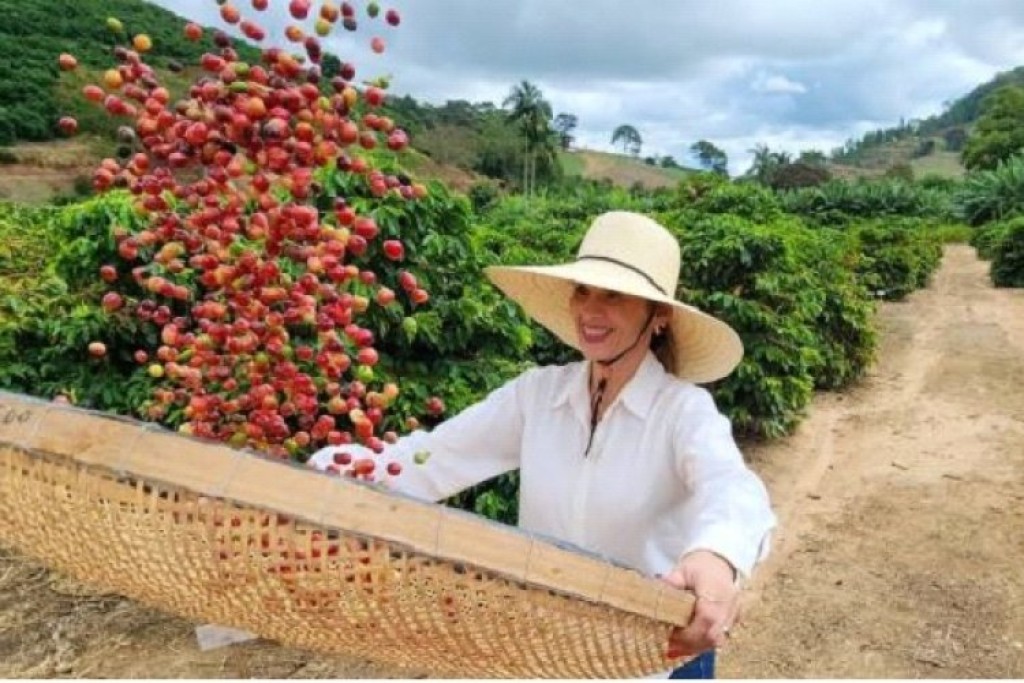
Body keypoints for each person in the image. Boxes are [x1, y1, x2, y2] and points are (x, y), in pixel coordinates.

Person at [309, 211, 776, 678]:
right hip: (550, 655)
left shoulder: (680, 411)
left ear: (658, 316)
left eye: (614, 295)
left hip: (653, 662)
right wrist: (331, 479)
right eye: (583, 291)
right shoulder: (539, 396)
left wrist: (715, 557)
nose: (591, 310)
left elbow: (732, 487)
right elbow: (433, 458)